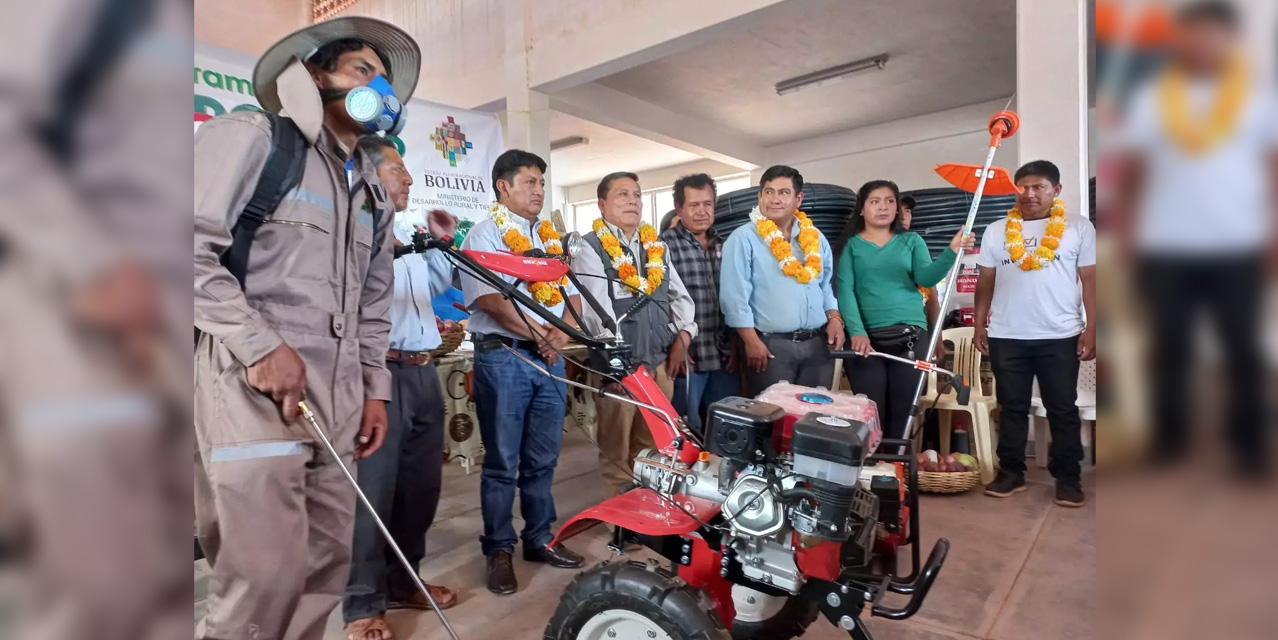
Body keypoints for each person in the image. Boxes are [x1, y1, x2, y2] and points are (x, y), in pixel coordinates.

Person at [194, 17, 414, 639]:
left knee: (324, 568)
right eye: (363, 71)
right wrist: (261, 347)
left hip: (342, 395)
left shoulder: (373, 191)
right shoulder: (255, 137)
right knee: (263, 573)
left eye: (386, 81)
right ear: (315, 74)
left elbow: (374, 302)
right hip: (250, 385)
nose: (381, 89)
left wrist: (375, 389)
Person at [1115, 0, 1274, 477]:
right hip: (1166, 246)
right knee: (1169, 346)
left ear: (1228, 40)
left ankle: (1249, 446)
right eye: (1192, 35)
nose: (1201, 44)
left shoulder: (1259, 98)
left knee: (1243, 346)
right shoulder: (1152, 100)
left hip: (1237, 244)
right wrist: (1130, 233)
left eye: (1212, 35)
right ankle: (1171, 439)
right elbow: (1135, 170)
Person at [342, 137, 458, 640]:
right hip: (375, 375)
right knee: (374, 491)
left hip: (422, 370)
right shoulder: (350, 231)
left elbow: (428, 291)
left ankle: (404, 578)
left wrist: (441, 244)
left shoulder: (407, 231)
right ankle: (363, 604)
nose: (409, 180)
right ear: (367, 176)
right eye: (397, 171)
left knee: (421, 488)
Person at [460, 149, 585, 595]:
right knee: (502, 462)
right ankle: (498, 550)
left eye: (541, 183)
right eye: (529, 182)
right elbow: (491, 301)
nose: (538, 190)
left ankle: (538, 538)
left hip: (548, 360)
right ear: (503, 187)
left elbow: (572, 297)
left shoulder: (550, 239)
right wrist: (540, 335)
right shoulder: (484, 235)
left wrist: (561, 335)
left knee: (543, 458)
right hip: (505, 357)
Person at [974, 160, 1097, 507]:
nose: (1029, 194)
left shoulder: (1078, 228)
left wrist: (1094, 328)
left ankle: (1068, 478)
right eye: (1023, 187)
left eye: (1038, 187)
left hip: (1060, 334)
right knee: (1011, 406)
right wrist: (979, 322)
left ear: (1055, 190)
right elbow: (985, 281)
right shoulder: (997, 230)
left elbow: (1092, 281)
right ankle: (1010, 472)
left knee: (1062, 407)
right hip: (1006, 335)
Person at [574, 171, 698, 496]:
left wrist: (680, 335)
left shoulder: (656, 247)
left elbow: (680, 299)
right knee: (617, 454)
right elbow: (594, 314)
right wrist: (614, 363)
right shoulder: (590, 248)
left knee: (652, 449)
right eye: (623, 194)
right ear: (602, 204)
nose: (633, 201)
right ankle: (619, 527)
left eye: (637, 195)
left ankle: (646, 515)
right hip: (619, 370)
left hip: (658, 364)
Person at [835, 180, 971, 440]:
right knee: (871, 413)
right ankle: (874, 473)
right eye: (875, 201)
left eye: (889, 201)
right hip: (867, 343)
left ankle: (896, 473)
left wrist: (952, 251)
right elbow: (845, 292)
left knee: (903, 414)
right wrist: (857, 332)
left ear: (897, 208)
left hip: (910, 338)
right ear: (862, 210)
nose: (883, 207)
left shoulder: (912, 241)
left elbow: (927, 278)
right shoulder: (851, 246)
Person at [720, 165, 845, 396]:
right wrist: (751, 340)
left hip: (817, 345)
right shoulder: (742, 239)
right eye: (769, 192)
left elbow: (825, 284)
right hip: (770, 347)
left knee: (813, 418)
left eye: (783, 193)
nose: (774, 199)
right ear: (759, 196)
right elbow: (734, 297)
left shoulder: (815, 237)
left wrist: (835, 318)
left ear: (798, 199)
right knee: (773, 420)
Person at [659, 173, 738, 436]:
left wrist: (736, 343)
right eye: (694, 205)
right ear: (679, 208)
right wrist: (678, 344)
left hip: (724, 356)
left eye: (708, 204)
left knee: (725, 428)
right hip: (687, 357)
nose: (702, 211)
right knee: (685, 431)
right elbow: (660, 302)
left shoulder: (725, 245)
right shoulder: (662, 247)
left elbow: (736, 298)